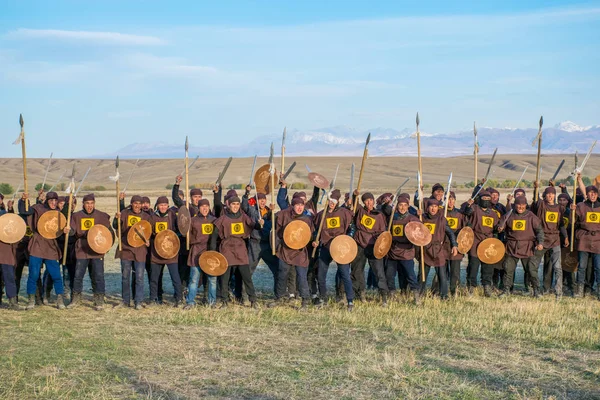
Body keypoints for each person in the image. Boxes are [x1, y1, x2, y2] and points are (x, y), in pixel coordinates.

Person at [66, 193, 113, 310]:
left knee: (98, 275)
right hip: (82, 249)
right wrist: (68, 230)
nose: (89, 206)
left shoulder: (101, 216)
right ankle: (76, 299)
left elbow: (110, 233)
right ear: (83, 204)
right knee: (78, 275)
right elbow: (72, 231)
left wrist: (107, 246)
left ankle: (99, 300)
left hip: (97, 250)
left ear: (94, 204)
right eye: (87, 203)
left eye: (92, 203)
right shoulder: (76, 216)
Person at [21, 191, 67, 310]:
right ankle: (31, 300)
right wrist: (23, 200)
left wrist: (67, 231)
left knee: (56, 275)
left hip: (51, 247)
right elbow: (25, 211)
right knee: (34, 274)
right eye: (51, 200)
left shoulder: (58, 214)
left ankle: (59, 300)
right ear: (47, 200)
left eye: (55, 201)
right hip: (37, 244)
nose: (53, 203)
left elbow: (63, 231)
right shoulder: (38, 208)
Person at [213, 195, 259, 309]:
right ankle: (224, 301)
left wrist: (260, 223)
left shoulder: (243, 217)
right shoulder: (222, 218)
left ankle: (253, 300)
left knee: (247, 276)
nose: (235, 206)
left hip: (240, 248)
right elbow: (214, 236)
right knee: (225, 277)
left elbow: (253, 225)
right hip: (227, 249)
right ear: (228, 205)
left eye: (237, 204)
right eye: (233, 204)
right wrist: (213, 252)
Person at [269, 197, 315, 310]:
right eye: (297, 205)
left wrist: (313, 241)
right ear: (293, 206)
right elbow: (274, 225)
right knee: (282, 275)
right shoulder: (284, 215)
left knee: (301, 276)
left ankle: (305, 301)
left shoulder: (307, 219)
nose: (299, 207)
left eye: (302, 205)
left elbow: (311, 235)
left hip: (300, 252)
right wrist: (272, 211)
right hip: (285, 250)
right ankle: (279, 298)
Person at [312, 189, 355, 310]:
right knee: (321, 274)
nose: (331, 203)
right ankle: (323, 298)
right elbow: (316, 231)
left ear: (337, 202)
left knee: (345, 274)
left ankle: (350, 300)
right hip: (326, 247)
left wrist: (348, 240)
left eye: (334, 201)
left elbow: (351, 228)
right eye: (330, 200)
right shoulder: (321, 214)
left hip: (340, 247)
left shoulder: (344, 213)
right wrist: (315, 240)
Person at [498, 196, 544, 297]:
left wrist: (540, 242)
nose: (521, 207)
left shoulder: (531, 216)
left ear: (525, 205)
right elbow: (501, 224)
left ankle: (536, 290)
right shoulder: (509, 214)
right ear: (515, 205)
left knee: (531, 270)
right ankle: (506, 290)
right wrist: (500, 227)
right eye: (518, 204)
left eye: (523, 205)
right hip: (512, 246)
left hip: (527, 247)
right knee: (508, 269)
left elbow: (539, 231)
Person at [351, 191, 389, 305]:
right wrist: (354, 195)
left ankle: (383, 297)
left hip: (374, 246)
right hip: (360, 244)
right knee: (357, 271)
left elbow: (383, 233)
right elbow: (354, 203)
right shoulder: (360, 211)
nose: (369, 202)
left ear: (373, 201)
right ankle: (360, 294)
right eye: (366, 201)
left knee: (379, 272)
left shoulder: (379, 214)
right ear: (364, 202)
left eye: (371, 200)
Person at [113, 195, 151, 310]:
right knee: (125, 276)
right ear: (131, 203)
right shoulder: (124, 213)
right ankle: (125, 301)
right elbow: (116, 226)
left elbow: (149, 230)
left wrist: (148, 240)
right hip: (126, 249)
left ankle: (138, 301)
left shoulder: (146, 216)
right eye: (135, 203)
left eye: (139, 203)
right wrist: (116, 219)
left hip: (140, 250)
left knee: (139, 277)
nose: (137, 205)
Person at [531, 184, 567, 299]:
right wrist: (536, 188)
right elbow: (536, 199)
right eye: (548, 194)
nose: (550, 196)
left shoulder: (559, 208)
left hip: (555, 240)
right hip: (542, 239)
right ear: (545, 195)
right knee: (534, 265)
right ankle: (536, 288)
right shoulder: (542, 205)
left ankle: (558, 292)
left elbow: (561, 225)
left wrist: (565, 236)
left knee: (557, 267)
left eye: (552, 194)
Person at [418, 199, 458, 300]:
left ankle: (444, 295)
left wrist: (454, 245)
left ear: (438, 208)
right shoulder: (422, 218)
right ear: (428, 207)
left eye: (435, 206)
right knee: (422, 274)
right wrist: (416, 214)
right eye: (431, 206)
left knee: (442, 274)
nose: (433, 208)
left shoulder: (442, 219)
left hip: (438, 249)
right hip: (425, 249)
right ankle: (419, 294)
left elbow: (450, 233)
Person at [462, 190, 500, 296]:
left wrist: (499, 228)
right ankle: (471, 287)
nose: (486, 201)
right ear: (480, 199)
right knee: (473, 266)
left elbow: (495, 227)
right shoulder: (475, 208)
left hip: (488, 242)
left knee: (488, 266)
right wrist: (468, 205)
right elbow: (466, 213)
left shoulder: (493, 213)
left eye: (489, 199)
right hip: (475, 240)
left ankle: (487, 287)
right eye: (484, 199)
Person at [386, 194, 421, 304]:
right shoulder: (392, 218)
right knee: (389, 275)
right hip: (393, 252)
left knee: (410, 275)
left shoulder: (413, 219)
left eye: (405, 205)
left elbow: (420, 234)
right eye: (400, 205)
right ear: (397, 206)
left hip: (406, 252)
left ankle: (416, 297)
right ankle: (392, 295)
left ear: (408, 206)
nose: (402, 207)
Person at [149, 196, 183, 307]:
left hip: (170, 252)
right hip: (156, 252)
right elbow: (148, 232)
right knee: (155, 278)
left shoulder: (173, 216)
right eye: (161, 205)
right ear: (157, 206)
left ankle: (179, 299)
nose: (163, 207)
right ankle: (154, 298)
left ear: (168, 206)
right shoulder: (152, 217)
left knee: (175, 277)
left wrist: (174, 237)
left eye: (165, 205)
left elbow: (180, 230)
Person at [184, 199, 218, 309]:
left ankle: (212, 302)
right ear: (198, 208)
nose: (205, 209)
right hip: (196, 251)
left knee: (212, 279)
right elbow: (187, 235)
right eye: (202, 206)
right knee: (194, 279)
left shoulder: (214, 220)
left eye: (206, 206)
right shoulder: (192, 220)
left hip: (210, 252)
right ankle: (190, 302)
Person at [574, 184, 600, 299]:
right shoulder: (581, 206)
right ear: (587, 195)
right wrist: (572, 212)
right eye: (590, 193)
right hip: (584, 239)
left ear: (597, 194)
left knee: (598, 267)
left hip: (598, 240)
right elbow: (573, 221)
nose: (593, 195)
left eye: (595, 193)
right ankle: (580, 290)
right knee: (582, 267)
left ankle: (598, 290)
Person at [0, 208, 24, 310]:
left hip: (6, 254)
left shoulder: (5, 215)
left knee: (9, 278)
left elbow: (14, 237)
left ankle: (12, 302)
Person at [444, 192, 465, 296]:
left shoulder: (459, 214)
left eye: (452, 199)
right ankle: (440, 291)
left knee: (455, 271)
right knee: (442, 272)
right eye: (448, 199)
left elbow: (465, 230)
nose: (450, 202)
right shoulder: (440, 214)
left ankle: (454, 292)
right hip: (443, 246)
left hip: (456, 246)